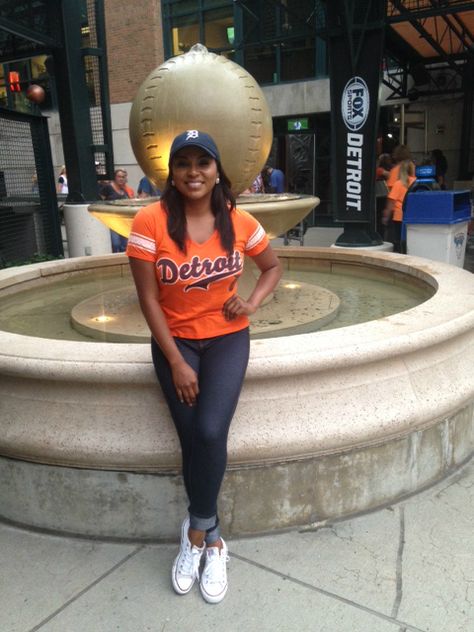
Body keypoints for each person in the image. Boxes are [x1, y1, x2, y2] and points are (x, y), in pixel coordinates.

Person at [126, 130, 281, 603]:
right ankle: (213, 539)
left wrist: (250, 302)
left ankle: (195, 534)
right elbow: (148, 298)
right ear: (171, 173)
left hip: (228, 340)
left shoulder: (239, 220)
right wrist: (175, 361)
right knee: (191, 436)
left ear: (218, 171)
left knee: (210, 432)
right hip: (176, 345)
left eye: (203, 163)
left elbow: (272, 267)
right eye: (184, 163)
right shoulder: (149, 221)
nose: (194, 172)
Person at [382, 159, 416, 253]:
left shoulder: (399, 183)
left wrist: (386, 216)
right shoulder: (417, 182)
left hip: (399, 217)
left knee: (398, 240)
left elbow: (391, 201)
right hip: (413, 216)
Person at [100, 169, 135, 252]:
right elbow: (100, 200)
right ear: (115, 177)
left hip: (123, 220)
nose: (121, 179)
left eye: (123, 177)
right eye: (119, 176)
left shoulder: (125, 190)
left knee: (125, 244)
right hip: (112, 220)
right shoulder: (108, 187)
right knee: (116, 243)